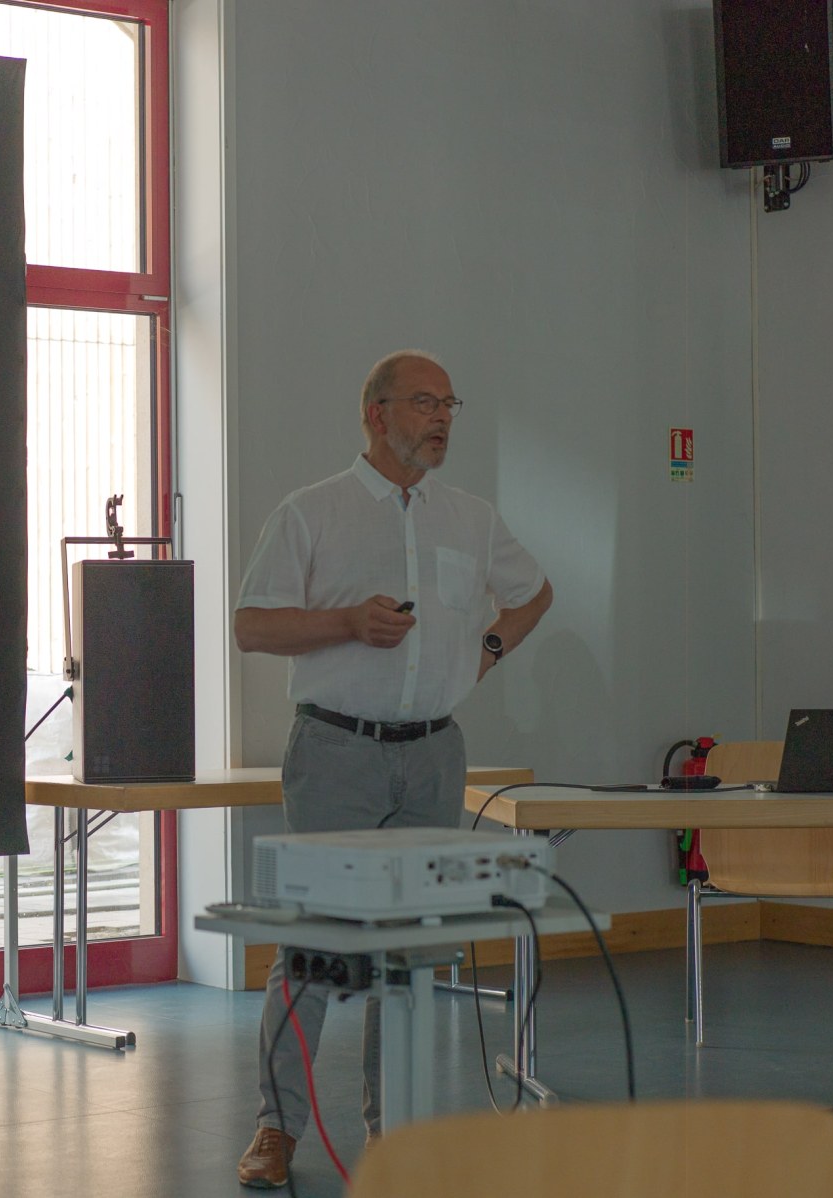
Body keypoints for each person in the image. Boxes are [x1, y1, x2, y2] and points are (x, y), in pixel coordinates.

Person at [231, 350, 552, 1189]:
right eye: (423, 402)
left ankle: (393, 1134)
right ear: (376, 414)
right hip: (336, 752)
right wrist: (345, 623)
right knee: (316, 946)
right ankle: (277, 1128)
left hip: (434, 754)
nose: (441, 417)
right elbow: (253, 626)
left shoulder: (471, 518)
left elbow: (533, 593)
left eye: (449, 404)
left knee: (408, 952)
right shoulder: (313, 512)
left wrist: (482, 653)